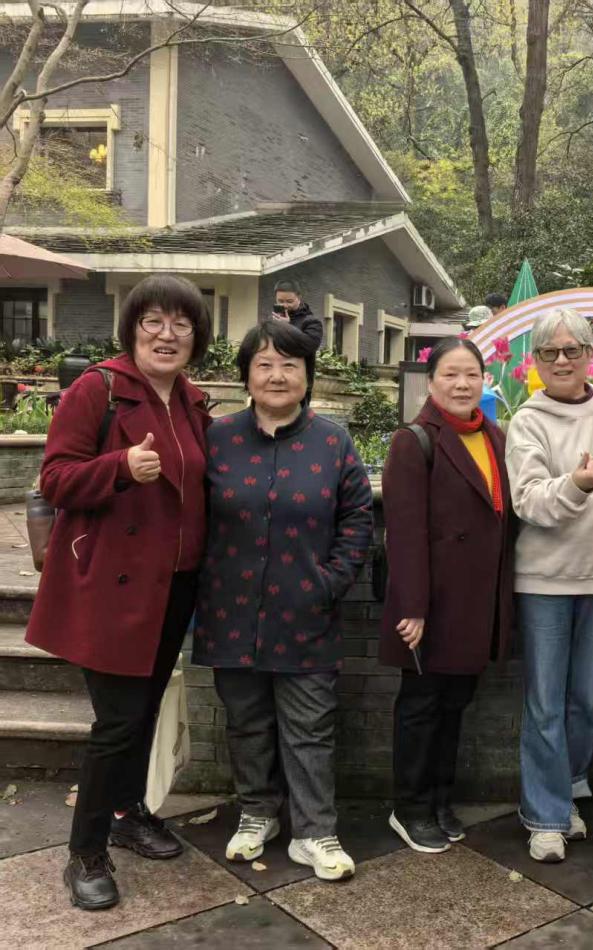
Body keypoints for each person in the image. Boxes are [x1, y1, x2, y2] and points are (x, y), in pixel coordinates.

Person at [26, 274, 213, 910]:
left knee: (146, 709)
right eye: (153, 321)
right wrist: (120, 468)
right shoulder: (97, 389)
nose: (167, 334)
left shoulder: (192, 402)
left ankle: (128, 813)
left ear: (197, 336)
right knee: (118, 721)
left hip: (174, 587)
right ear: (132, 328)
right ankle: (85, 852)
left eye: (181, 323)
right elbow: (55, 477)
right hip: (112, 588)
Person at [192, 319, 373, 882]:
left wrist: (328, 582)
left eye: (290, 365)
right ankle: (257, 813)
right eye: (264, 364)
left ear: (307, 377)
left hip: (306, 613)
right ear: (246, 375)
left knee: (310, 727)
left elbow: (357, 519)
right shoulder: (217, 438)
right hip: (230, 609)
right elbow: (188, 515)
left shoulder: (332, 442)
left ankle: (315, 831)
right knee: (246, 722)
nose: (277, 375)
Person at [505, 307, 593, 863]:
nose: (562, 360)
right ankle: (544, 815)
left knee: (584, 698)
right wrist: (577, 485)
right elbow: (529, 500)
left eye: (572, 349)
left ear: (591, 354)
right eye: (549, 352)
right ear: (535, 361)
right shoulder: (527, 421)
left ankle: (570, 787)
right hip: (546, 581)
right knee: (544, 701)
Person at [380, 336, 515, 854]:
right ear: (431, 382)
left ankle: (438, 800)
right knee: (421, 707)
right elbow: (405, 532)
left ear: (484, 380)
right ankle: (409, 807)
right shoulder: (414, 440)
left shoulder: (495, 436)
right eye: (450, 375)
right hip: (432, 604)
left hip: (476, 602)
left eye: (471, 374)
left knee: (455, 705)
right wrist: (413, 608)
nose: (462, 384)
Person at [272, 279, 323, 353]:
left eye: (289, 301)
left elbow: (310, 346)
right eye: (280, 301)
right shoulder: (273, 320)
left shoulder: (312, 322)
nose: (285, 305)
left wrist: (287, 326)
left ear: (299, 298)